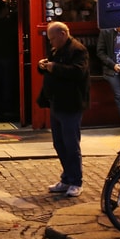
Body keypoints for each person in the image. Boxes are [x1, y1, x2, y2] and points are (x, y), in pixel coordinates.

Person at [37, 22, 90, 199]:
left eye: (52, 38)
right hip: (56, 103)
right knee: (59, 143)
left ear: (62, 34)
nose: (51, 42)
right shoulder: (56, 50)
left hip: (71, 104)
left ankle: (76, 181)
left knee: (70, 144)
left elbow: (78, 72)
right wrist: (42, 65)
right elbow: (51, 69)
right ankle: (67, 178)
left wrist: (54, 68)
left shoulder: (78, 50)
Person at [96, 26, 120, 127]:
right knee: (119, 95)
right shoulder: (105, 31)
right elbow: (100, 52)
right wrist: (113, 65)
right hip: (112, 68)